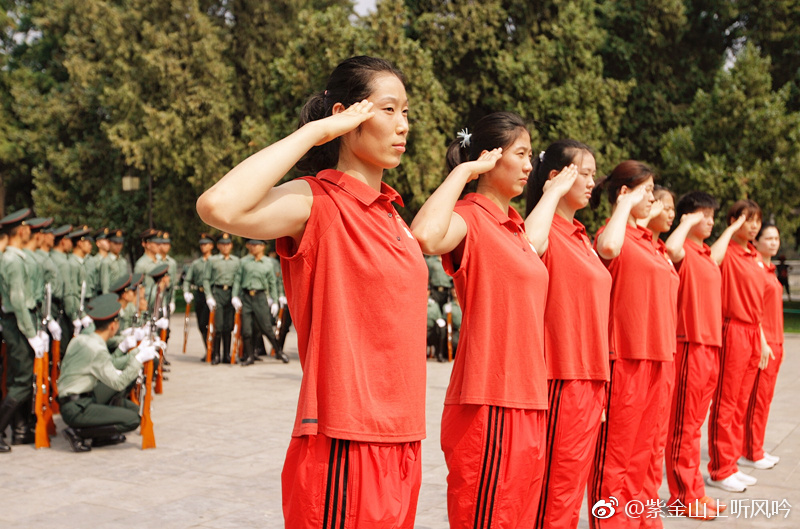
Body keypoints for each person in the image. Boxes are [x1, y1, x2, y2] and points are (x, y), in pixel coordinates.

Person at [196, 56, 427, 528]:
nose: (403, 125)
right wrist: (315, 132)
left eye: (406, 112)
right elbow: (219, 206)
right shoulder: (317, 201)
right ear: (346, 115)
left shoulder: (394, 215)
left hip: (403, 438)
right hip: (344, 438)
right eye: (388, 109)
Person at [411, 112, 578, 528]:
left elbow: (536, 240)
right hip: (490, 400)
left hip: (528, 399)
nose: (529, 165)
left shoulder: (515, 229)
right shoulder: (470, 216)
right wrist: (465, 172)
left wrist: (554, 193)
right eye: (520, 154)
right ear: (490, 156)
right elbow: (425, 235)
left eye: (530, 156)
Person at [524, 140, 614, 529]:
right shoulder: (544, 229)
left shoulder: (580, 236)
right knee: (555, 488)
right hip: (561, 375)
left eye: (594, 174)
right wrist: (552, 193)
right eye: (585, 173)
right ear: (557, 177)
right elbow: (529, 244)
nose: (593, 182)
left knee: (571, 486)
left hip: (589, 378)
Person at [587, 161, 678, 528]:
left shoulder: (648, 242)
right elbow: (609, 245)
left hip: (659, 358)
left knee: (645, 454)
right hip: (625, 357)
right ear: (624, 193)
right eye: (647, 191)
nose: (653, 199)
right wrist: (625, 204)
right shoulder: (612, 235)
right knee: (615, 459)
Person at [662, 192, 727, 519]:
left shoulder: (704, 253)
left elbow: (718, 251)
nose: (710, 221)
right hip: (689, 343)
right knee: (683, 427)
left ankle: (696, 490)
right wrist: (686, 223)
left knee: (695, 426)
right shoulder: (682, 248)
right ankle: (683, 496)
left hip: (710, 346)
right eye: (704, 215)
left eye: (713, 215)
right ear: (688, 216)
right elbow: (671, 249)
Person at [706, 200, 769, 493]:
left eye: (757, 220)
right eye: (747, 220)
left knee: (742, 402)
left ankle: (731, 463)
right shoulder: (728, 251)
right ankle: (719, 469)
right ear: (734, 221)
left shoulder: (754, 255)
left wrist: (762, 340)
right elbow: (711, 259)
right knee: (726, 401)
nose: (754, 226)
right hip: (732, 328)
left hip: (753, 331)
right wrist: (731, 229)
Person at [57, 295, 158, 452]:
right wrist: (138, 359)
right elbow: (119, 383)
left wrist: (135, 351)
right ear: (113, 326)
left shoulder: (82, 339)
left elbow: (108, 364)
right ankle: (78, 432)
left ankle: (102, 431)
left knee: (131, 409)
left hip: (79, 398)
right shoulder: (97, 349)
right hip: (77, 408)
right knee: (132, 420)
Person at [0, 209, 49, 453]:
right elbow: (18, 300)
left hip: (18, 321)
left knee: (17, 378)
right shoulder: (13, 260)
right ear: (20, 231)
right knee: (22, 380)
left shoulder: (13, 257)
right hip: (18, 322)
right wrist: (30, 334)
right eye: (27, 227)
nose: (30, 231)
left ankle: (19, 430)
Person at [740, 224, 784, 470]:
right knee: (756, 400)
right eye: (768, 238)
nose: (774, 242)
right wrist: (763, 342)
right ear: (755, 242)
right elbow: (752, 309)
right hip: (764, 342)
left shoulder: (769, 269)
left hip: (776, 341)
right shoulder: (755, 268)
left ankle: (757, 447)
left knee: (765, 399)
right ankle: (750, 451)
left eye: (776, 238)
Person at [232, 239, 287, 365]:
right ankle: (250, 356)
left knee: (266, 327)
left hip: (260, 297)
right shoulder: (244, 262)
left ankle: (278, 351)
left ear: (263, 247)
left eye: (256, 245)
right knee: (246, 329)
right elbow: (237, 279)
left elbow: (272, 283)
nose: (254, 247)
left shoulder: (268, 263)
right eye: (252, 244)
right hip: (246, 297)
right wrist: (234, 296)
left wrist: (275, 301)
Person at [202, 233, 239, 364]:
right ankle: (216, 354)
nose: (225, 247)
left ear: (231, 245)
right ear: (218, 246)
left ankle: (227, 355)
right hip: (217, 292)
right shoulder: (212, 260)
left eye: (227, 244)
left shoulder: (236, 261)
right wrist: (209, 296)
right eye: (222, 244)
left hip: (230, 293)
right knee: (218, 326)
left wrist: (235, 295)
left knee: (228, 326)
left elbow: (237, 280)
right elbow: (206, 279)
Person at [183, 233, 214, 360]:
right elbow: (187, 280)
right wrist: (186, 291)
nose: (203, 247)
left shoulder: (215, 261)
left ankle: (215, 350)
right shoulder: (196, 264)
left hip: (213, 294)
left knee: (215, 324)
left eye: (206, 244)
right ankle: (208, 350)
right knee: (202, 324)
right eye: (201, 244)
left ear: (211, 246)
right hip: (200, 295)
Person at [100, 229, 130, 294]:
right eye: (115, 243)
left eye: (120, 243)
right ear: (109, 243)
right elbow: (105, 286)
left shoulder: (123, 261)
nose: (118, 246)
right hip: (112, 295)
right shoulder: (106, 262)